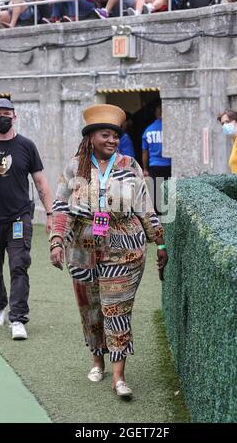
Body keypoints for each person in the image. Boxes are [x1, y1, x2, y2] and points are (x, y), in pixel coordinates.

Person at [50, 103, 168, 398]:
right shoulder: (74, 166)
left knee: (117, 310)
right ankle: (97, 360)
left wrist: (160, 241)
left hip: (125, 249)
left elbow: (145, 206)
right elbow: (61, 206)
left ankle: (119, 378)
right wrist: (56, 241)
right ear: (91, 137)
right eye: (106, 135)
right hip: (82, 251)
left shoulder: (130, 166)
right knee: (90, 310)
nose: (113, 141)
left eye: (116, 136)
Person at [0, 98, 52, 340]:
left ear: (15, 116)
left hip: (18, 218)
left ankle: (18, 319)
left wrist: (51, 214)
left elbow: (41, 182)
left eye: (7, 113)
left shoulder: (26, 146)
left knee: (19, 264)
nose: (3, 117)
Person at [142, 102, 171, 214]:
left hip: (155, 166)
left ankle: (158, 219)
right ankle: (169, 215)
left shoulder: (148, 130)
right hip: (169, 165)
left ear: (155, 113)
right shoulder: (171, 129)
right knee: (170, 192)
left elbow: (145, 151)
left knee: (157, 194)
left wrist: (145, 169)